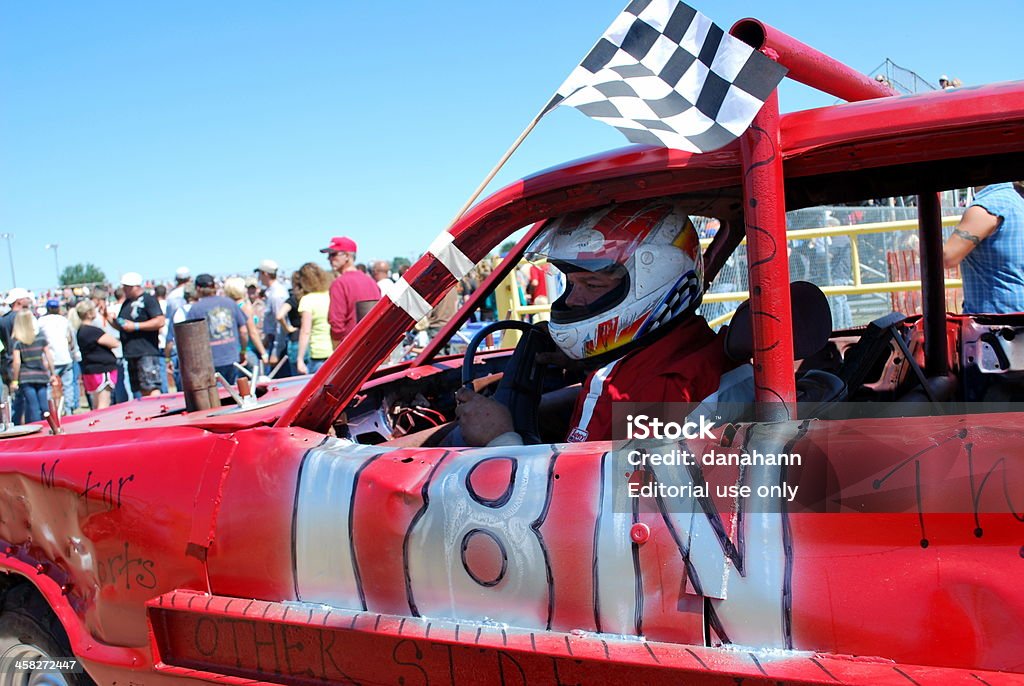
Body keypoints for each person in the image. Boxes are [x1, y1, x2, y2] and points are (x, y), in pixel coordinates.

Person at [457, 199, 733, 446]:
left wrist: (502, 440)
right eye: (570, 283)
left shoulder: (663, 391)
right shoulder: (680, 351)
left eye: (591, 283)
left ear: (653, 281)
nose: (573, 300)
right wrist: (585, 367)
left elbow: (591, 500)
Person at [943, 182, 1024, 313]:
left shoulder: (987, 207)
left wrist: (916, 245)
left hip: (993, 320)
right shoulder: (1018, 202)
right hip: (1015, 313)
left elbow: (947, 257)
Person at [109, 272, 166, 398]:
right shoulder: (126, 303)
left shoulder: (149, 300)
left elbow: (160, 320)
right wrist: (112, 321)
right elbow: (124, 326)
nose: (124, 290)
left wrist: (136, 326)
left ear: (134, 286)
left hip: (146, 351)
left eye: (126, 287)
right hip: (132, 352)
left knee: (150, 387)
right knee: (139, 388)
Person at [188, 274, 248, 383]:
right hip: (232, 357)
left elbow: (190, 339)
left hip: (209, 361)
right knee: (233, 393)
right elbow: (243, 331)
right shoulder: (230, 303)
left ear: (198, 288)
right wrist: (243, 351)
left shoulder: (195, 309)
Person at [321, 236, 380, 347]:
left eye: (333, 254)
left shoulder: (339, 283)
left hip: (350, 348)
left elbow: (336, 324)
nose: (329, 259)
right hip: (373, 347)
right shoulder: (371, 281)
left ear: (347, 256)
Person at [10, 309, 56, 423]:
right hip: (41, 375)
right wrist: (53, 373)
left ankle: (37, 430)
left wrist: (15, 380)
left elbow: (17, 362)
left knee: (33, 406)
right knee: (44, 406)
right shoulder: (40, 337)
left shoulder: (18, 341)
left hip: (26, 377)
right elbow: (48, 356)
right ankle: (48, 426)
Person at [37, 298, 81, 413]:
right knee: (68, 387)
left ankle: (50, 412)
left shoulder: (41, 321)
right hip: (64, 357)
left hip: (49, 359)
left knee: (48, 387)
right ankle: (69, 411)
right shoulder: (64, 320)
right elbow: (71, 338)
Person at [75, 300, 120, 410]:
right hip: (102, 369)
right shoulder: (93, 331)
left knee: (96, 403)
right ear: (89, 313)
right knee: (104, 403)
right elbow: (114, 343)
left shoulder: (81, 331)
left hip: (91, 369)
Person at [292, 262, 334, 375]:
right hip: (334, 350)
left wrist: (300, 359)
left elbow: (305, 331)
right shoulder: (330, 294)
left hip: (318, 353)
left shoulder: (307, 300)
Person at [224, 276, 268, 368]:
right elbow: (252, 332)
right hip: (248, 350)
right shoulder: (244, 307)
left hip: (234, 352)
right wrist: (263, 353)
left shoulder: (227, 307)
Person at [255, 259, 288, 368]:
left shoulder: (276, 294)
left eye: (259, 274)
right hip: (274, 340)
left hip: (278, 342)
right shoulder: (272, 292)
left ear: (265, 274)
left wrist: (276, 351)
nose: (259, 277)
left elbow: (280, 324)